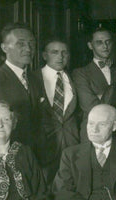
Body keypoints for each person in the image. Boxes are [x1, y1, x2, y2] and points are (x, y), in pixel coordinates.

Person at [29, 37, 80, 183]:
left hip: (71, 145)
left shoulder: (74, 78)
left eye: (64, 53)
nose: (60, 56)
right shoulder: (33, 78)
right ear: (45, 55)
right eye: (55, 52)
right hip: (43, 147)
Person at [72, 27, 116, 118]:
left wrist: (101, 96)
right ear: (90, 46)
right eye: (99, 42)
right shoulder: (80, 73)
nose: (105, 46)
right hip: (93, 128)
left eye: (108, 42)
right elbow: (90, 107)